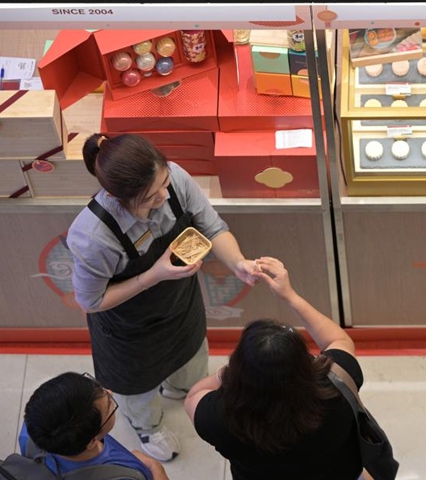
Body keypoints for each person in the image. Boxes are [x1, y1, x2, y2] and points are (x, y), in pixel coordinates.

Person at [67, 133, 266, 462]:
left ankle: (183, 388)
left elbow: (213, 228)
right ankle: (148, 426)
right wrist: (153, 275)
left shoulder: (175, 178)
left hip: (180, 307)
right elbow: (91, 301)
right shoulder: (93, 236)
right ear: (119, 198)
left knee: (192, 361)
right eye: (150, 197)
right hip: (129, 332)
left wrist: (239, 263)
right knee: (139, 392)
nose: (163, 195)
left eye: (164, 183)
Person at [184, 257, 363, 480]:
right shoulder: (337, 386)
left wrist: (230, 374)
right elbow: (339, 340)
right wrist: (289, 295)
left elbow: (193, 397)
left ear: (239, 369)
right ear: (305, 363)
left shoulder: (221, 418)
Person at [18, 372, 169, 480]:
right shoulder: (121, 476)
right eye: (110, 405)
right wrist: (158, 471)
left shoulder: (31, 431)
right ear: (91, 442)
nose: (110, 392)